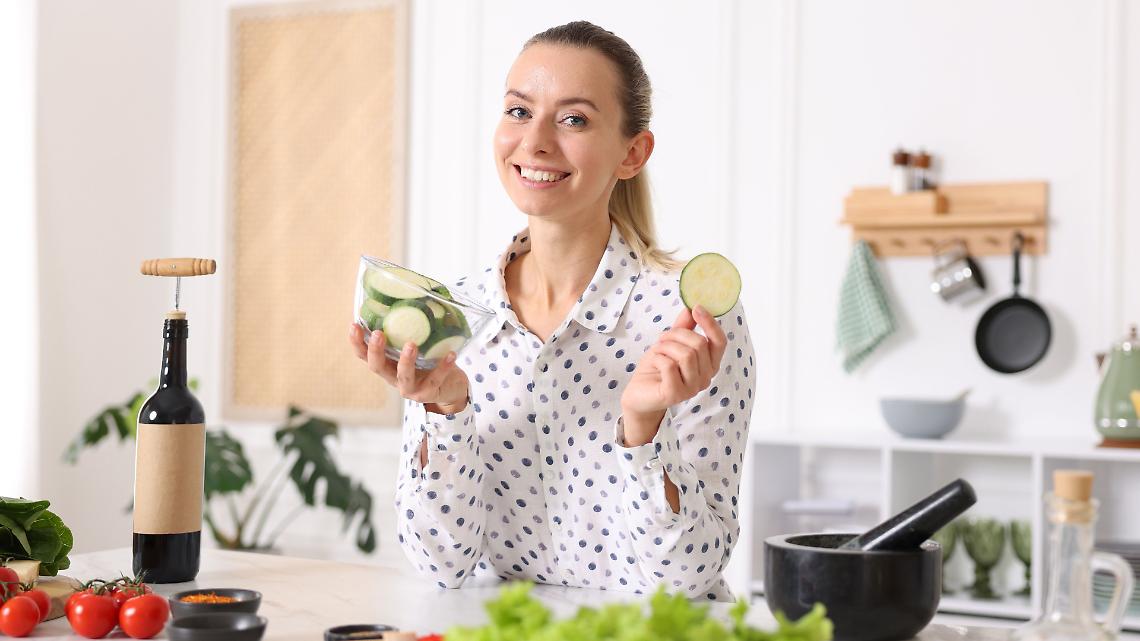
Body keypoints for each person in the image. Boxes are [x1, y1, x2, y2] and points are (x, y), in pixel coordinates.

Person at [348, 20, 755, 601]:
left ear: (633, 153)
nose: (535, 141)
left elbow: (685, 579)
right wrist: (444, 409)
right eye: (518, 111)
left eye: (574, 119)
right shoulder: (456, 315)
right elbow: (440, 564)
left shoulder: (690, 320)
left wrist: (644, 430)